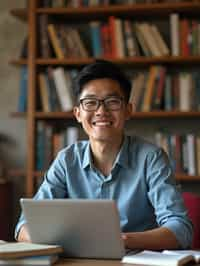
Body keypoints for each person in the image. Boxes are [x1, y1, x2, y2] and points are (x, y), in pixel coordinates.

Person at [15, 60, 193, 250]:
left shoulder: (151, 158)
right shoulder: (67, 160)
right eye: (90, 102)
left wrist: (119, 240)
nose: (101, 111)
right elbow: (23, 228)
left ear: (128, 111)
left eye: (112, 102)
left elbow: (180, 229)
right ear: (77, 113)